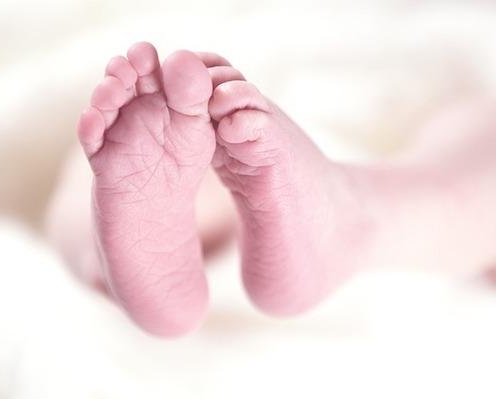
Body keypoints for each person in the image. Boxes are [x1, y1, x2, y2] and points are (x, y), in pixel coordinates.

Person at [46, 42, 496, 337]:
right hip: (345, 144)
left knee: (97, 161)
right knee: (128, 144)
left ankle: (100, 252)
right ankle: (115, 248)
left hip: (371, 153)